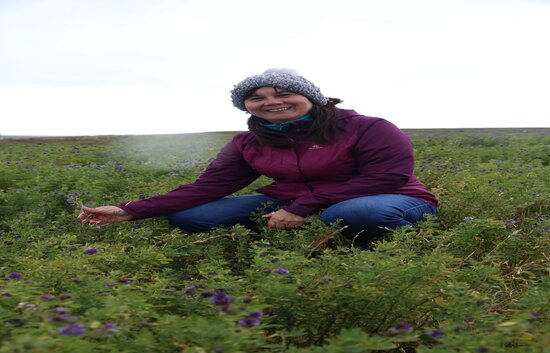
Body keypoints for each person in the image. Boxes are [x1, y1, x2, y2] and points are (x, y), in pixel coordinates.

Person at [78, 68, 437, 242]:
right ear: (247, 106)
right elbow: (207, 187)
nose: (271, 102)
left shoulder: (368, 127)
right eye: (257, 97)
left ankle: (402, 243)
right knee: (191, 216)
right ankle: (301, 231)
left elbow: (385, 178)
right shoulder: (247, 142)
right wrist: (129, 209)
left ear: (311, 97)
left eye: (282, 93)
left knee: (357, 212)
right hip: (294, 201)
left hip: (391, 198)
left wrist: (300, 206)